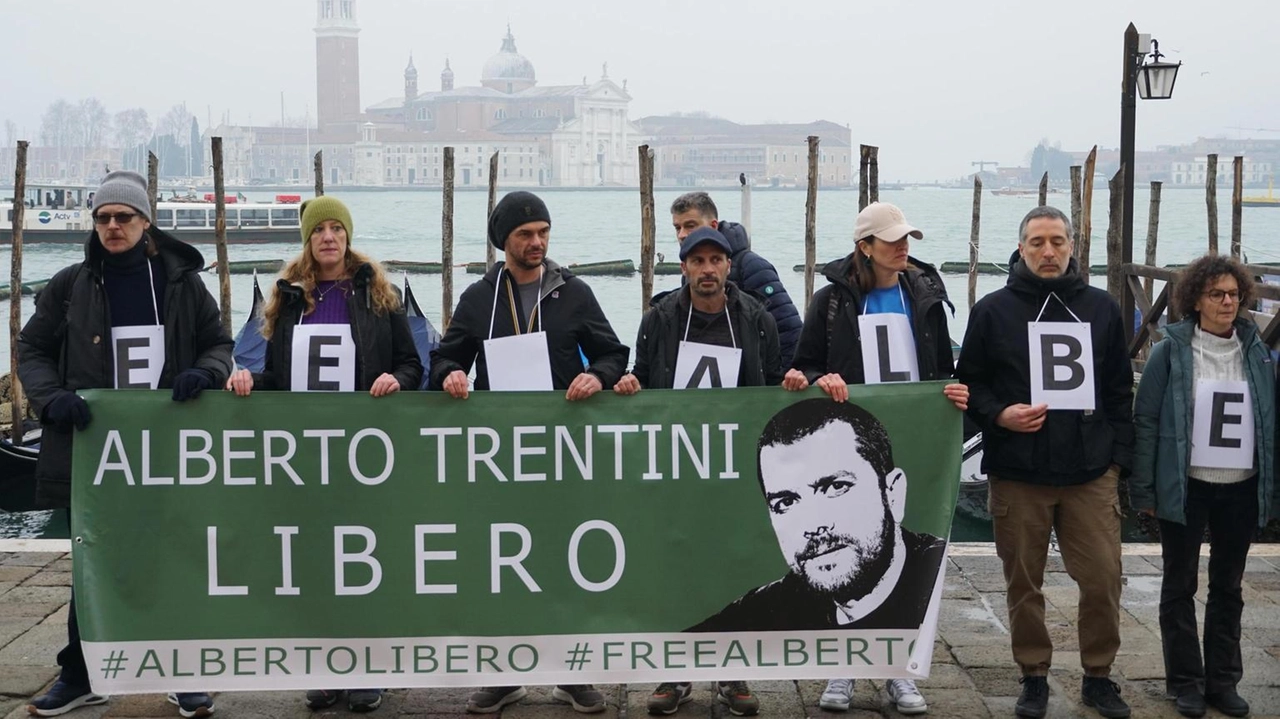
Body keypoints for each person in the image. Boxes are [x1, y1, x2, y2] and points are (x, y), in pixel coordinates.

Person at [18, 170, 231, 718]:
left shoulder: (182, 285)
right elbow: (32, 351)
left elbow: (219, 345)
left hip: (168, 448)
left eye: (124, 217)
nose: (113, 226)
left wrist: (204, 375)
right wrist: (50, 399)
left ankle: (181, 670)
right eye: (104, 217)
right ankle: (81, 672)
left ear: (145, 222)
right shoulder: (69, 285)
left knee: (174, 557)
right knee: (94, 560)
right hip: (92, 449)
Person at [429, 190, 627, 715]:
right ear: (504, 241)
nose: (537, 243)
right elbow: (445, 358)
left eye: (543, 232)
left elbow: (613, 352)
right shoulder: (477, 299)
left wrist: (598, 375)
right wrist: (449, 373)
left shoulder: (574, 293)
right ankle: (504, 674)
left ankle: (573, 672)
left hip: (565, 449)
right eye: (526, 235)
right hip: (501, 454)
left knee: (567, 560)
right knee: (505, 563)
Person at [224, 195, 421, 714]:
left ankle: (367, 668)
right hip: (306, 455)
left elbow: (410, 364)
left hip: (363, 451)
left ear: (348, 236)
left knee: (364, 560)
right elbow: (279, 376)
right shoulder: (288, 298)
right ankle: (324, 666)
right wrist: (248, 380)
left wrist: (393, 380)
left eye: (337, 229)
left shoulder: (381, 295)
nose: (328, 237)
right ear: (308, 240)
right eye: (319, 231)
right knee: (315, 562)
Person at [782, 201, 968, 715]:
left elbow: (942, 368)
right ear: (865, 246)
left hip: (914, 438)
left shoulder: (925, 293)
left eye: (907, 237)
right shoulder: (831, 303)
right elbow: (803, 369)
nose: (903, 247)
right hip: (848, 446)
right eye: (892, 240)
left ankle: (898, 670)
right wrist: (820, 379)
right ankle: (842, 669)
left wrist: (954, 394)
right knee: (848, 553)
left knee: (907, 552)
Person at [956, 206, 1134, 719]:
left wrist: (1117, 463)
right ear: (1021, 248)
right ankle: (1033, 674)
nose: (1048, 251)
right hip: (1018, 472)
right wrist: (1000, 415)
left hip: (1090, 472)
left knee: (1103, 578)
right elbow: (969, 386)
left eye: (1057, 240)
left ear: (1074, 245)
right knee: (1023, 583)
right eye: (1037, 242)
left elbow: (1121, 392)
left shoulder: (1102, 309)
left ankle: (1098, 675)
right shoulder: (992, 311)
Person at [614, 226, 781, 717]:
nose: (707, 270)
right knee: (679, 566)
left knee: (735, 566)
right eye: (697, 261)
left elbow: (772, 383)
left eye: (716, 260)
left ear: (729, 267)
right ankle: (675, 670)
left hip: (735, 468)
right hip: (677, 466)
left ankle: (734, 672)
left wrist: (795, 380)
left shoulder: (756, 318)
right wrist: (629, 385)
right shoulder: (660, 318)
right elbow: (642, 376)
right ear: (683, 267)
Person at [1130, 255, 1275, 719]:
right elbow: (1146, 421)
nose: (1227, 301)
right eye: (1217, 294)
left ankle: (1223, 680)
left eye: (1234, 293)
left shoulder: (1255, 351)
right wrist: (1145, 492)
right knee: (1179, 585)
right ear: (1196, 299)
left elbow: (1270, 424)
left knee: (1229, 586)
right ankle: (1186, 682)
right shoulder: (1169, 352)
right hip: (1186, 484)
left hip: (1241, 487)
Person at [690, 398, 946, 634]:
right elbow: (690, 645)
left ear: (892, 493)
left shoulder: (931, 574)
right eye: (786, 502)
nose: (813, 525)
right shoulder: (781, 601)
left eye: (836, 487)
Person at [669, 192, 802, 368]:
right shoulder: (690, 273)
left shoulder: (753, 266)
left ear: (713, 225)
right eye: (678, 228)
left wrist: (777, 384)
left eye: (690, 226)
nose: (682, 235)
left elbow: (788, 330)